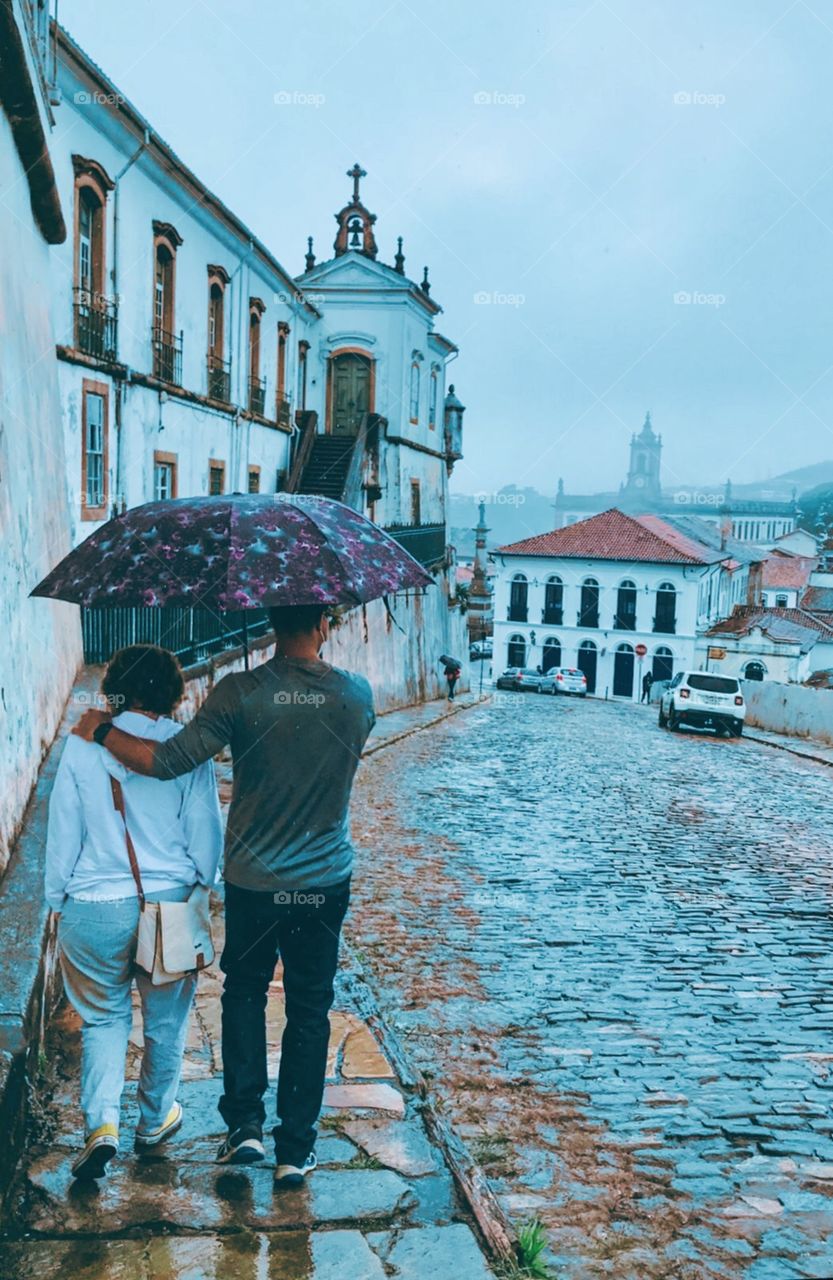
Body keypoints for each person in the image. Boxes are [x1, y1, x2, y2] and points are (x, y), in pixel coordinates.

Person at [73, 605, 376, 1188]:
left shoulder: (239, 693)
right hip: (322, 883)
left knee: (243, 995)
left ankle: (244, 1131)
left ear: (270, 620)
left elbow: (164, 763)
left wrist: (103, 729)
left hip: (254, 883)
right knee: (310, 1009)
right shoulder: (356, 695)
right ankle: (295, 1149)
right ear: (324, 624)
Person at [46, 645, 223, 1181]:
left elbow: (62, 833)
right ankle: (153, 1122)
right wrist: (199, 889)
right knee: (166, 1024)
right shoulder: (187, 748)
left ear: (115, 691)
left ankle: (101, 1126)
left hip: (93, 905)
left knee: (103, 1018)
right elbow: (206, 837)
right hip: (168, 905)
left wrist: (59, 901)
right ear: (174, 693)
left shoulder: (81, 745)